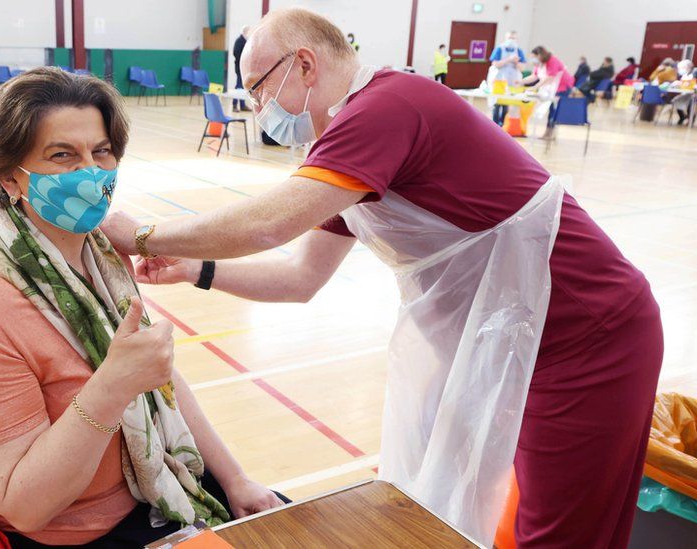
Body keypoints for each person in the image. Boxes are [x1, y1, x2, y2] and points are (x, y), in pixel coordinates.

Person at [100, 8, 662, 548]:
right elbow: (302, 277)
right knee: (459, 497)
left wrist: (144, 236)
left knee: (561, 530)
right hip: (509, 340)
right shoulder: (346, 143)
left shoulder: (384, 107)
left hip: (588, 335)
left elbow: (273, 223)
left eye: (260, 87)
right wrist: (197, 270)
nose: (259, 105)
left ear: (304, 64)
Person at [0, 67, 286, 548]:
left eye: (101, 152)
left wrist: (236, 480)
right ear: (10, 177)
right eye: (62, 155)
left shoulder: (101, 255)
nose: (90, 173)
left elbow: (160, 381)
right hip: (77, 536)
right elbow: (24, 505)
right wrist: (111, 387)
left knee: (287, 522)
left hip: (156, 487)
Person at [524, 46, 575, 140]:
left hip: (562, 87)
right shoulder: (540, 64)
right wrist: (521, 81)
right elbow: (534, 76)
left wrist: (535, 87)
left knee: (554, 110)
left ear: (539, 55)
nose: (533, 59)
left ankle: (550, 133)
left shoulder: (552, 61)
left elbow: (550, 77)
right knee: (550, 109)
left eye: (534, 57)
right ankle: (548, 133)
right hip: (551, 89)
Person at [489, 31, 526, 125]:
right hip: (499, 80)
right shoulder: (499, 49)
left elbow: (523, 68)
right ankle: (495, 124)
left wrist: (516, 62)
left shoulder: (519, 51)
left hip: (512, 81)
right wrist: (508, 60)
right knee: (497, 103)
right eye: (509, 38)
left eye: (513, 38)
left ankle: (502, 125)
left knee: (506, 104)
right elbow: (495, 64)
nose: (511, 40)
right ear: (505, 38)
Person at [671, 59, 696, 125]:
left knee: (690, 102)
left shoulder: (695, 72)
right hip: (685, 93)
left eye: (682, 68)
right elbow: (683, 84)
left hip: (693, 94)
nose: (681, 69)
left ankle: (691, 117)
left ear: (688, 67)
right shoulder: (685, 74)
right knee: (675, 100)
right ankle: (682, 116)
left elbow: (693, 84)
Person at [232, 26, 250, 111]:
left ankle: (242, 105)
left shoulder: (245, 41)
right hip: (239, 68)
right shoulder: (239, 41)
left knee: (242, 87)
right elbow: (236, 53)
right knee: (239, 86)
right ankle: (234, 105)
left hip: (243, 67)